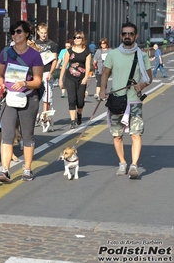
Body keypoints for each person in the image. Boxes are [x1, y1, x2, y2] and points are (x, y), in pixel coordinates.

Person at [100, 22, 152, 178]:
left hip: (134, 100)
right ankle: (122, 163)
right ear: (121, 36)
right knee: (117, 135)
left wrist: (141, 85)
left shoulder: (142, 56)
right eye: (124, 34)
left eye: (130, 34)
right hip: (116, 100)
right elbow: (105, 73)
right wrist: (103, 89)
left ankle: (134, 165)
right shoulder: (113, 54)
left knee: (136, 134)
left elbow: (149, 77)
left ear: (136, 36)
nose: (127, 36)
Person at [0, 20, 43, 182]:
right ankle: (5, 170)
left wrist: (24, 83)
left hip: (28, 97)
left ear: (27, 34)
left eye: (19, 32)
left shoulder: (34, 55)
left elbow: (38, 81)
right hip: (9, 98)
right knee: (7, 134)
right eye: (13, 32)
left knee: (27, 135)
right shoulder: (6, 52)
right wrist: (2, 86)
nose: (15, 35)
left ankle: (27, 169)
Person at [58, 31, 91, 129]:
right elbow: (64, 66)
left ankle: (79, 114)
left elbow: (88, 66)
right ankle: (72, 121)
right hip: (70, 77)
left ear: (82, 39)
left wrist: (86, 78)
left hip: (82, 78)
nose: (76, 39)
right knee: (71, 99)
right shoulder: (69, 51)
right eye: (75, 37)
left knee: (80, 101)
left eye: (79, 37)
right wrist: (60, 79)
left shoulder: (87, 51)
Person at [35, 23, 58, 125]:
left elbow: (54, 60)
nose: (43, 35)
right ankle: (36, 114)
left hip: (47, 72)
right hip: (36, 72)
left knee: (47, 96)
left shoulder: (52, 44)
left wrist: (51, 73)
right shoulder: (34, 43)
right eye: (42, 33)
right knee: (35, 95)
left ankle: (45, 116)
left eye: (45, 33)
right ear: (38, 32)